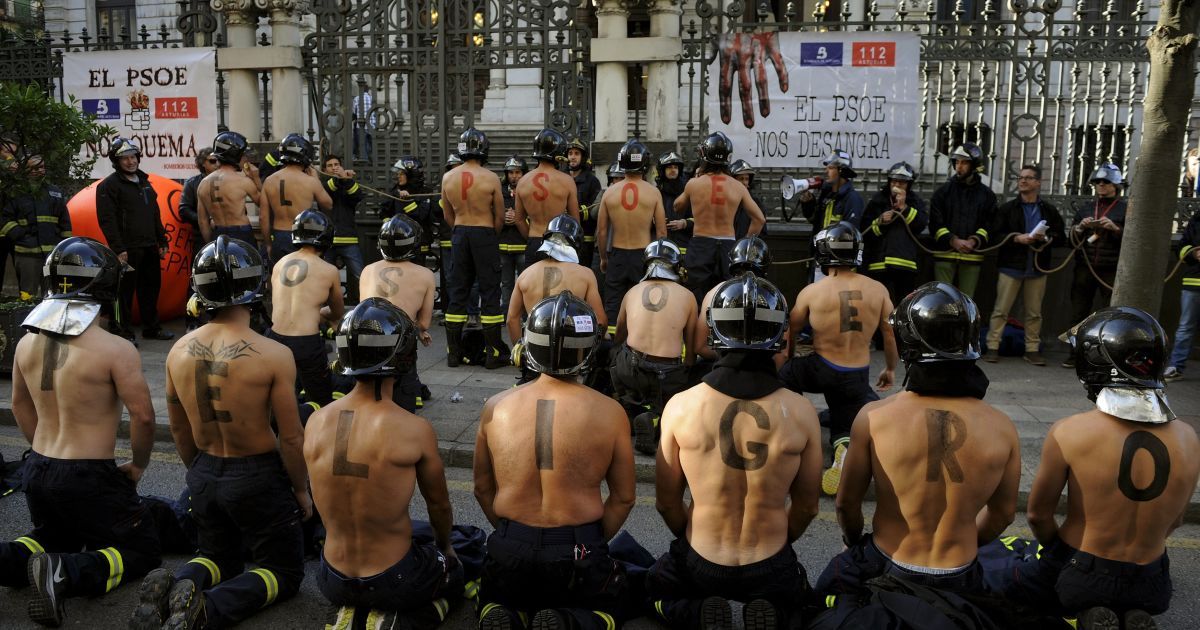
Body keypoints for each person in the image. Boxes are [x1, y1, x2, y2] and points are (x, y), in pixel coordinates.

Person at [132, 236, 310, 630]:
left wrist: (198, 471)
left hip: (205, 468)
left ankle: (175, 587)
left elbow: (178, 427)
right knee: (282, 570)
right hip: (257, 473)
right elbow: (293, 438)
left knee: (216, 554)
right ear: (255, 287)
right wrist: (300, 490)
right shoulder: (274, 354)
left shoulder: (178, 350)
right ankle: (206, 610)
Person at [986, 307, 1199, 629]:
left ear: (1094, 364)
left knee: (1002, 588)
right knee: (1133, 582)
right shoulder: (1188, 436)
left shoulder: (1070, 431)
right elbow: (1178, 519)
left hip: (1082, 568)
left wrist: (1062, 558)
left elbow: (1037, 515)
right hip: (1152, 580)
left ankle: (1088, 607)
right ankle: (1130, 608)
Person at [817, 282, 1019, 598]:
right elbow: (1004, 514)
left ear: (908, 345)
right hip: (960, 572)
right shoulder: (1002, 427)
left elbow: (846, 504)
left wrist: (855, 542)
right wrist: (966, 543)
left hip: (889, 561)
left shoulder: (873, 417)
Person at [0, 237, 159, 627]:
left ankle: (13, 561)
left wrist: (41, 450)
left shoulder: (26, 342)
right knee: (141, 549)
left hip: (37, 467)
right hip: (88, 474)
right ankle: (64, 575)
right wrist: (137, 466)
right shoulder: (115, 348)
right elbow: (143, 417)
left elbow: (19, 404)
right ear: (106, 286)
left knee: (56, 536)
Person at [649, 273, 821, 630]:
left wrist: (691, 538)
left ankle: (694, 611)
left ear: (715, 332)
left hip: (702, 559)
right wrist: (778, 541)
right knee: (807, 605)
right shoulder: (801, 411)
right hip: (771, 560)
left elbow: (666, 502)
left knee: (649, 592)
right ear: (779, 337)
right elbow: (807, 506)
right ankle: (777, 610)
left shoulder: (682, 406)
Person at [473, 292, 638, 630]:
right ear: (589, 350)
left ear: (529, 346)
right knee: (618, 600)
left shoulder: (496, 406)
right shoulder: (610, 412)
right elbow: (624, 497)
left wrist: (511, 535)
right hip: (576, 549)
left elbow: (481, 487)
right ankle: (569, 620)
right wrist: (588, 545)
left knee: (491, 594)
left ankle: (499, 609)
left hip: (509, 547)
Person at [306, 298, 465, 628]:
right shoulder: (414, 429)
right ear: (405, 356)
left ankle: (355, 612)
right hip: (395, 578)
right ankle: (395, 622)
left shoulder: (316, 421)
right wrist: (445, 548)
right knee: (463, 565)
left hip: (331, 579)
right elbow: (439, 507)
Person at [780, 222, 898, 496]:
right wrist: (891, 369)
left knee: (785, 377)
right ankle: (841, 447)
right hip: (856, 371)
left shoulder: (813, 291)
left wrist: (789, 358)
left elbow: (791, 332)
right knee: (847, 410)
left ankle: (796, 427)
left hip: (820, 367)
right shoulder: (878, 289)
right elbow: (890, 334)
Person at [610, 239, 696, 456]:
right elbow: (691, 351)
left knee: (614, 354)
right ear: (676, 265)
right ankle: (656, 417)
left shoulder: (632, 291)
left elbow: (618, 336)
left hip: (631, 370)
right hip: (667, 377)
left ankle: (629, 404)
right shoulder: (688, 297)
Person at [982, 164, 1065, 366]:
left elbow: (1061, 237)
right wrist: (1017, 239)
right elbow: (995, 235)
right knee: (1001, 310)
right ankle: (993, 346)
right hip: (1011, 266)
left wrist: (1045, 238)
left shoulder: (1049, 210)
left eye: (1028, 178)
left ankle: (1032, 349)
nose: (1023, 181)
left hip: (1037, 269)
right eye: (1020, 178)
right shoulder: (1008, 209)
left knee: (1034, 313)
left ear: (1038, 183)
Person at [506, 215, 605, 382]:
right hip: (571, 358)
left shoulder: (526, 275)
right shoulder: (585, 275)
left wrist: (523, 353)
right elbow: (600, 321)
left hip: (535, 357)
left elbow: (511, 319)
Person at [95, 137, 173, 341]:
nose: (130, 162)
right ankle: (121, 331)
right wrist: (118, 248)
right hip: (126, 250)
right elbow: (107, 220)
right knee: (123, 293)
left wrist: (162, 240)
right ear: (116, 161)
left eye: (133, 157)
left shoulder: (145, 182)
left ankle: (152, 328)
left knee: (150, 290)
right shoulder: (108, 186)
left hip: (149, 246)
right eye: (124, 159)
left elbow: (154, 213)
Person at [441, 128, 506, 368]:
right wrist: (489, 233)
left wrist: (461, 229)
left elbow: (447, 215)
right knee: (490, 292)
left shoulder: (448, 178)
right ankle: (493, 354)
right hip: (484, 233)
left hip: (459, 234)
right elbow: (500, 216)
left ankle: (453, 353)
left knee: (458, 292)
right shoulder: (490, 178)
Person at [675, 132, 765, 304]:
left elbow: (677, 207)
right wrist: (744, 242)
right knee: (727, 298)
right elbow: (759, 219)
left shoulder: (694, 183)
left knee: (695, 298)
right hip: (728, 247)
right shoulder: (737, 186)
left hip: (701, 244)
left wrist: (694, 181)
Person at [359, 214, 437, 412]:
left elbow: (363, 310)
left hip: (366, 342)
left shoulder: (368, 270)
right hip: (400, 346)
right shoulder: (425, 274)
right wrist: (419, 330)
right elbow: (424, 323)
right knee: (404, 402)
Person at [268, 210, 345, 408]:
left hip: (274, 338)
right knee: (320, 398)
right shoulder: (329, 270)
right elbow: (337, 312)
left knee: (278, 396)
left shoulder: (279, 264)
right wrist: (319, 313)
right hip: (306, 343)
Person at [597, 139, 668, 336]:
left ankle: (611, 351)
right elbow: (662, 232)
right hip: (643, 256)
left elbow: (602, 232)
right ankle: (641, 345)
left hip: (618, 255)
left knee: (613, 305)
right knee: (644, 302)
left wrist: (604, 258)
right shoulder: (653, 192)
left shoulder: (610, 192)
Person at [1063, 163, 1128, 368]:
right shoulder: (1086, 208)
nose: (1100, 185)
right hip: (1085, 268)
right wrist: (1080, 228)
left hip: (1111, 270)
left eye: (1105, 182)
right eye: (1097, 182)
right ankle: (1075, 354)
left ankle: (1107, 357)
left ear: (1116, 185)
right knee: (1078, 314)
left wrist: (1115, 229)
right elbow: (1071, 242)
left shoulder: (1125, 209)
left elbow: (1135, 242)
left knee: (1109, 314)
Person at [929, 142, 998, 299]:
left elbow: (990, 224)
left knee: (967, 302)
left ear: (974, 165)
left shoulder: (987, 195)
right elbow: (935, 223)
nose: (959, 167)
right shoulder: (942, 193)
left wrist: (974, 241)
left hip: (972, 256)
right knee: (942, 301)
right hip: (944, 255)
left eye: (964, 162)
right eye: (957, 162)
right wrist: (953, 240)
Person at [0, 154, 72, 299]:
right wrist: (20, 234)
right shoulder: (15, 192)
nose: (39, 170)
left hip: (52, 255)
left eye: (41, 167)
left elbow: (65, 223)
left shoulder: (55, 192)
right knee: (28, 295)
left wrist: (64, 249)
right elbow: (4, 218)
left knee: (52, 296)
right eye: (33, 167)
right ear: (24, 169)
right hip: (26, 254)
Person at [861, 161, 928, 309]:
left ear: (909, 184)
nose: (897, 185)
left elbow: (920, 225)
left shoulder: (915, 202)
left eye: (902, 182)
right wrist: (879, 221)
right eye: (894, 181)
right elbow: (865, 232)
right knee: (878, 306)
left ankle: (900, 333)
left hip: (905, 265)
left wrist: (904, 208)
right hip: (878, 264)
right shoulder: (878, 200)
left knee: (903, 307)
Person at [693, 236, 771, 363]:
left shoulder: (714, 293)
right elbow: (782, 354)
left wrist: (730, 360)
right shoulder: (775, 295)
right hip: (761, 370)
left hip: (721, 369)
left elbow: (700, 347)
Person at [513, 128, 581, 267]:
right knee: (557, 287)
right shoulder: (566, 181)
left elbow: (519, 220)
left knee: (533, 287)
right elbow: (575, 220)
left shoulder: (524, 181)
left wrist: (532, 238)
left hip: (534, 239)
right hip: (559, 242)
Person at [260, 133, 333, 262]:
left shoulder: (269, 181)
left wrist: (268, 244)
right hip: (303, 236)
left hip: (279, 234)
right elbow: (328, 204)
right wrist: (316, 179)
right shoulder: (310, 181)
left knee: (278, 277)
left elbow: (263, 218)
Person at [196, 132, 262, 246]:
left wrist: (211, 244)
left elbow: (202, 221)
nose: (245, 158)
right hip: (242, 233)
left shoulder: (203, 184)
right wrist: (256, 178)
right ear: (236, 156)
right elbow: (263, 203)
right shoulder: (243, 181)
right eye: (243, 155)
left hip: (217, 232)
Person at [320, 154, 367, 303]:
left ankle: (367, 305)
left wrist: (346, 180)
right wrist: (340, 177)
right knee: (323, 278)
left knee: (361, 276)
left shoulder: (347, 182)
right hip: (327, 241)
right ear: (324, 170)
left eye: (336, 164)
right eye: (330, 165)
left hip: (348, 239)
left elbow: (358, 196)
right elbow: (328, 191)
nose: (334, 167)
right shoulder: (321, 184)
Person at [1165, 208, 1200, 381]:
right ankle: (1175, 366)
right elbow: (1181, 246)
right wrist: (1193, 252)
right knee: (1185, 327)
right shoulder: (1197, 219)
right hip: (1194, 283)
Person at [379, 156, 433, 267]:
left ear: (412, 175)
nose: (398, 176)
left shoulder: (425, 192)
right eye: (398, 173)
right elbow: (384, 212)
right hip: (397, 244)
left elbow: (421, 215)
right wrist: (388, 223)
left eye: (402, 173)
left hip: (418, 244)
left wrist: (407, 201)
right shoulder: (395, 191)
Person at [797, 151, 865, 233]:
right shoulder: (827, 195)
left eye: (831, 168)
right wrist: (808, 203)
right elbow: (815, 221)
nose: (826, 171)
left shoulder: (853, 199)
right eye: (826, 168)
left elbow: (850, 234)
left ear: (842, 171)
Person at [566, 138, 603, 269]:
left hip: (585, 239)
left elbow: (594, 210)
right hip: (562, 238)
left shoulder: (592, 181)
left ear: (583, 157)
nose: (572, 157)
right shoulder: (561, 178)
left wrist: (572, 211)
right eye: (570, 153)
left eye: (577, 153)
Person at [499, 155, 529, 313]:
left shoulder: (530, 191)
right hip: (503, 246)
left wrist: (519, 217)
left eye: (518, 172)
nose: (514, 176)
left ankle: (524, 313)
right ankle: (507, 312)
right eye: (511, 172)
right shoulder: (499, 191)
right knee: (506, 283)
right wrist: (503, 217)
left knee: (525, 283)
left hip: (523, 245)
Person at [656, 152, 692, 256]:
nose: (673, 170)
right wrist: (656, 221)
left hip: (685, 247)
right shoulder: (656, 192)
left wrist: (685, 223)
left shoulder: (688, 191)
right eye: (669, 167)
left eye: (676, 167)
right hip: (661, 248)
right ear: (662, 171)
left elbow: (700, 218)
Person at [729, 159, 768, 240]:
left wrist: (745, 244)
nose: (744, 182)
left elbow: (762, 231)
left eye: (746, 179)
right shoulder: (727, 201)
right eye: (741, 179)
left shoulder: (756, 203)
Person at [351, 86, 375, 163]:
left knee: (362, 143)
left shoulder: (357, 99)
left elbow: (354, 111)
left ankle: (365, 160)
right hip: (371, 124)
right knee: (371, 142)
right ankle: (372, 157)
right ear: (368, 91)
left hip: (361, 125)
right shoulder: (372, 99)